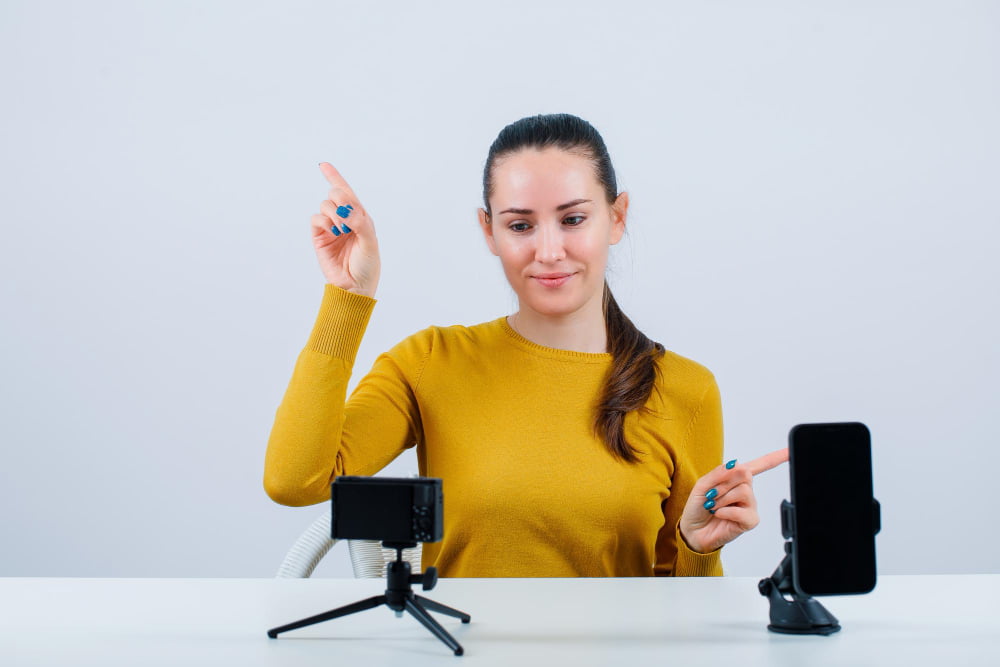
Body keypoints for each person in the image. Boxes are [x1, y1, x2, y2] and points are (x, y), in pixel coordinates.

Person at [263, 113, 787, 577]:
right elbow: (295, 480)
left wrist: (698, 547)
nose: (550, 250)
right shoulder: (430, 363)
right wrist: (347, 298)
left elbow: (685, 617)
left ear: (617, 217)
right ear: (489, 232)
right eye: (520, 225)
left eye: (573, 219)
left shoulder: (687, 391)